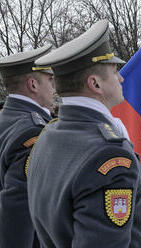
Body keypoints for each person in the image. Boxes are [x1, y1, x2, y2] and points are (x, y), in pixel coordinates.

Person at [27, 20, 141, 247]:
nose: (121, 78)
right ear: (95, 84)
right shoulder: (108, 154)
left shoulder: (48, 133)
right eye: (115, 71)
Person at [0, 45, 54, 248]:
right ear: (33, 84)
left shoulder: (7, 118)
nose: (54, 86)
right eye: (50, 79)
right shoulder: (32, 132)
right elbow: (19, 208)